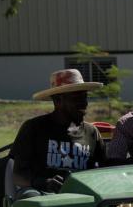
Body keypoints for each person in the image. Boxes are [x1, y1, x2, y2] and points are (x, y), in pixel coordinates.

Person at [10, 68, 107, 199]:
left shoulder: (92, 133)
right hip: (43, 195)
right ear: (57, 101)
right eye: (76, 98)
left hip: (84, 197)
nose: (84, 103)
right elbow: (17, 175)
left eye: (85, 97)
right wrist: (43, 183)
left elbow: (103, 169)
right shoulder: (33, 128)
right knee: (30, 197)